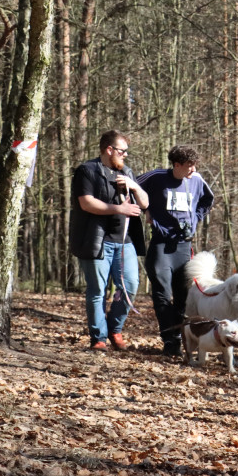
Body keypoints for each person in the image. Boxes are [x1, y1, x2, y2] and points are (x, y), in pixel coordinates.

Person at [69, 130, 149, 351]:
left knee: (130, 286)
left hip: (126, 242)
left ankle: (115, 328)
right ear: (109, 150)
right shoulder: (88, 171)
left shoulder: (127, 172)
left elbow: (144, 203)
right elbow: (86, 203)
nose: (124, 155)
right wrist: (118, 208)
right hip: (97, 241)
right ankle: (99, 338)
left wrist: (135, 186)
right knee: (97, 290)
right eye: (122, 151)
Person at [137, 145, 215, 357]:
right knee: (162, 294)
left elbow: (208, 200)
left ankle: (179, 337)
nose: (193, 170)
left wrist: (196, 218)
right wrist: (146, 209)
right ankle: (169, 340)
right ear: (176, 165)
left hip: (184, 245)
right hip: (161, 245)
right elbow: (132, 186)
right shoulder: (157, 177)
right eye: (189, 166)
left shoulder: (197, 180)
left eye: (195, 165)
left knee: (181, 297)